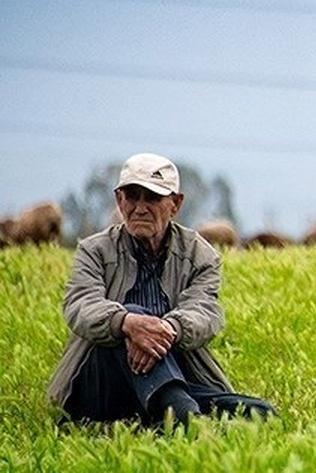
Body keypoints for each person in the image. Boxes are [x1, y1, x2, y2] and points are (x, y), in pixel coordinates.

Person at [47, 153, 275, 427]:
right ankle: (182, 416)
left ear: (175, 204)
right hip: (103, 382)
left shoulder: (201, 255)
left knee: (261, 412)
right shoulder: (94, 251)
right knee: (132, 313)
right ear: (119, 200)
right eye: (132, 196)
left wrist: (167, 329)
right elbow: (81, 306)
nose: (140, 208)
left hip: (176, 374)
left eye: (152, 198)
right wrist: (127, 323)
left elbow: (205, 313)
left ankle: (169, 416)